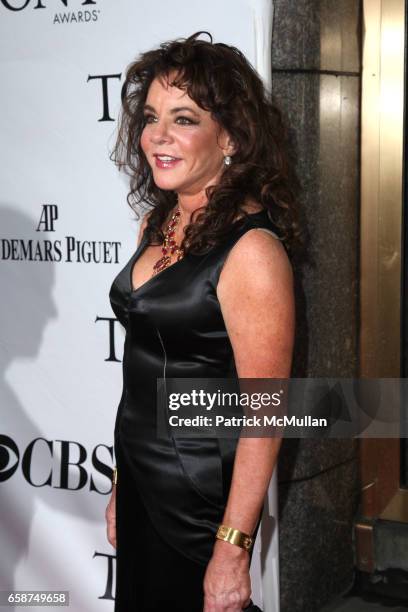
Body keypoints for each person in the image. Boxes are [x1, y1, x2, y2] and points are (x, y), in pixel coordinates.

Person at [106, 31, 297, 612]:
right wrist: (121, 486)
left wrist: (235, 547)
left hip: (198, 500)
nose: (157, 137)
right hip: (142, 481)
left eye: (183, 119)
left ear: (232, 137)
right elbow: (139, 375)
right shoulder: (156, 226)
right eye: (151, 118)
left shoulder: (253, 252)